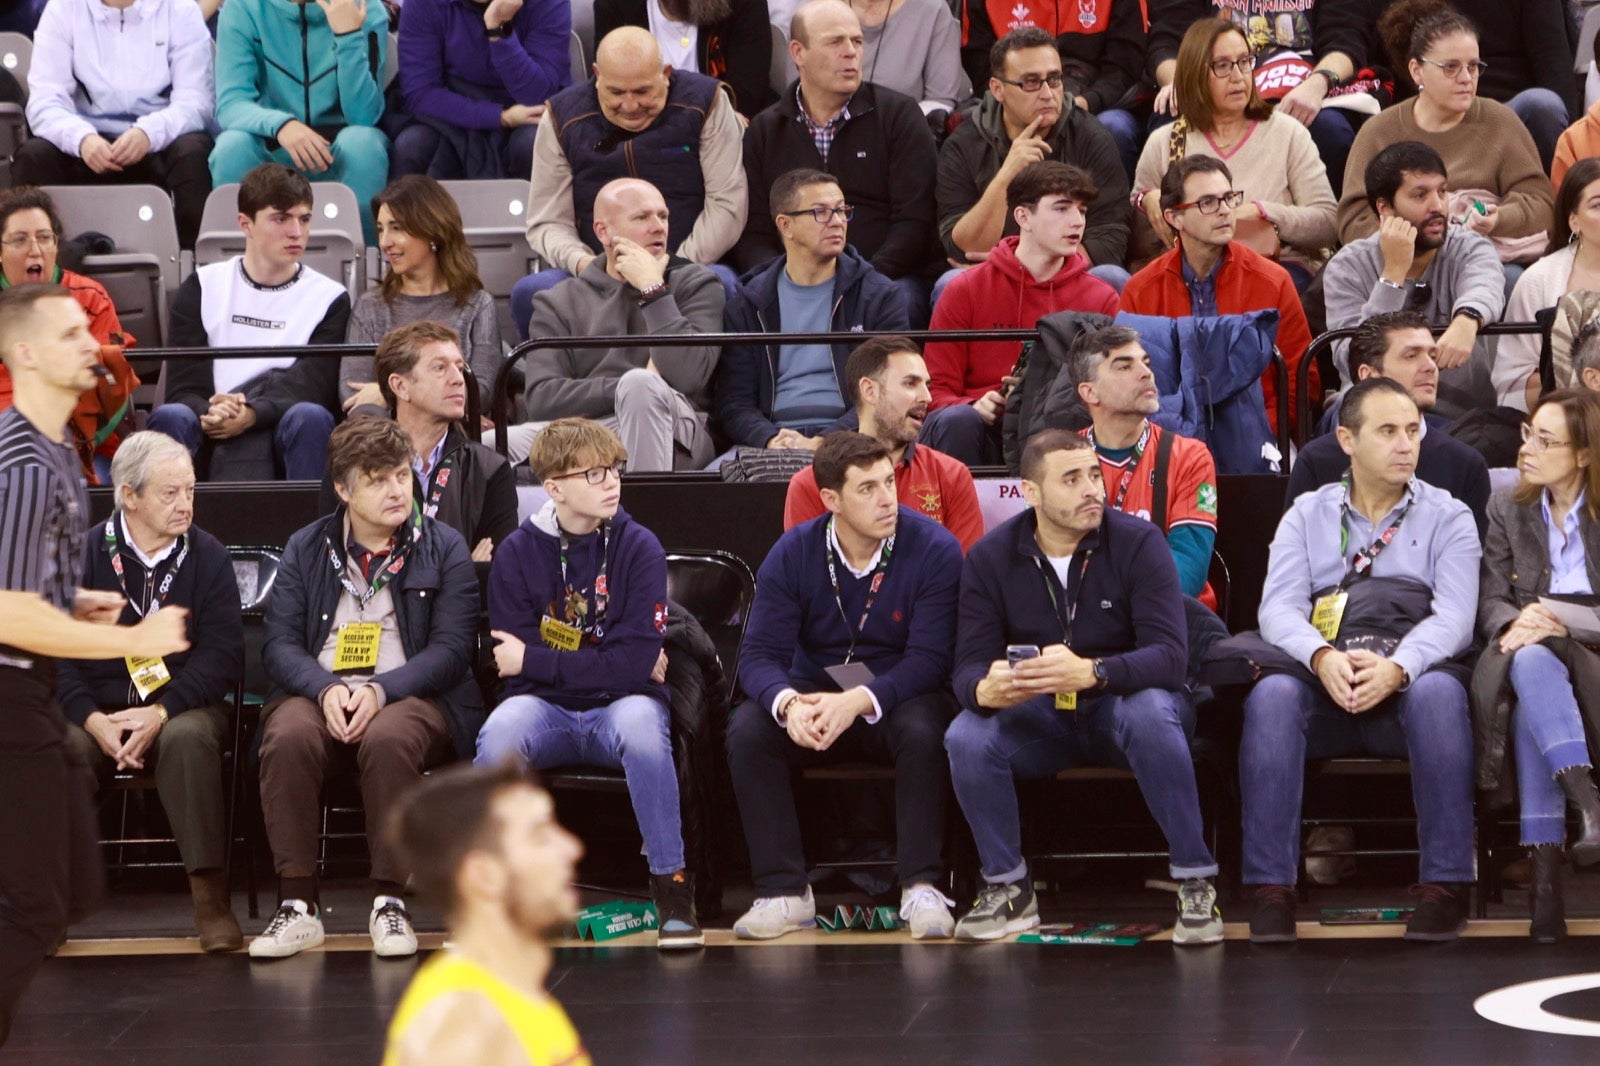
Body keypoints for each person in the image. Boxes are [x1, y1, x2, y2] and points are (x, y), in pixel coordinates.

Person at [0, 284, 190, 1047]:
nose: (92, 341)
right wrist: (132, 642)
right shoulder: (27, 465)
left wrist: (74, 603)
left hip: (28, 690)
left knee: (67, 888)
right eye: (71, 332)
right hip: (10, 692)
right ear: (26, 355)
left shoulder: (54, 451)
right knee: (39, 904)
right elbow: (8, 612)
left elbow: (22, 586)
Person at [943, 430, 1224, 945]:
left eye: (1094, 474)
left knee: (1150, 710)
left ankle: (1194, 879)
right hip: (1043, 716)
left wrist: (1094, 672)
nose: (1091, 488)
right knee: (966, 733)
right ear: (1030, 492)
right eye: (1071, 479)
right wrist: (984, 689)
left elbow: (1171, 656)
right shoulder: (990, 557)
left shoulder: (1140, 543)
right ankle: (1008, 887)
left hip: (1123, 707)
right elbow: (964, 667)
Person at [1242, 377, 1479, 944]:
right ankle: (1271, 887)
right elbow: (1276, 609)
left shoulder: (1450, 516)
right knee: (1271, 695)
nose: (1406, 445)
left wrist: (1399, 667)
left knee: (1442, 694)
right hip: (1325, 681)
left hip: (1407, 683)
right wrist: (1321, 657)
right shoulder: (1306, 513)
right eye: (1388, 431)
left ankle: (1446, 883)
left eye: (1413, 431)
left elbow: (1456, 620)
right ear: (1346, 439)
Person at [251, 418, 483, 961]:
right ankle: (299, 905)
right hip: (320, 689)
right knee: (285, 735)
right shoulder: (305, 547)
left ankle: (388, 902)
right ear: (342, 488)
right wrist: (326, 688)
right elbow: (279, 645)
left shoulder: (444, 546)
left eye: (402, 475)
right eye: (377, 480)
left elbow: (451, 652)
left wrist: (380, 691)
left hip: (412, 694)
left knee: (388, 739)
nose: (396, 490)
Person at [475, 418, 704, 951]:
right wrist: (602, 655)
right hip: (540, 707)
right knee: (498, 737)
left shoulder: (639, 546)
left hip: (622, 702)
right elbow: (507, 661)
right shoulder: (515, 553)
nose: (612, 483)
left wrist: (536, 657)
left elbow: (627, 668)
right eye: (595, 473)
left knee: (646, 732)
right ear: (553, 487)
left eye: (615, 470)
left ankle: (671, 886)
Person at [728, 431, 964, 939]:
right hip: (814, 692)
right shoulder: (794, 551)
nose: (886, 499)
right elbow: (758, 656)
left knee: (925, 728)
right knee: (748, 729)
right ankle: (783, 891)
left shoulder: (934, 548)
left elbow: (930, 660)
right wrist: (788, 705)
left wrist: (857, 700)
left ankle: (921, 885)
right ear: (830, 499)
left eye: (888, 483)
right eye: (867, 489)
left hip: (898, 693)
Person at [56, 432, 244, 953]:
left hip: (181, 703)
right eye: (170, 493)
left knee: (187, 740)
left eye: (190, 490)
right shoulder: (82, 555)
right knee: (60, 746)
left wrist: (161, 711)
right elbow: (57, 653)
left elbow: (224, 656)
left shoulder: (207, 556)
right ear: (129, 496)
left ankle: (211, 902)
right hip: (94, 707)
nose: (185, 504)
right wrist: (93, 719)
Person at [513, 26, 748, 337]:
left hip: (685, 264)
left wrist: (669, 267)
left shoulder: (707, 102)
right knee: (532, 292)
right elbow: (548, 221)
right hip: (595, 273)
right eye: (616, 92)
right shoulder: (560, 116)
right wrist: (587, 266)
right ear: (596, 75)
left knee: (724, 286)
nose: (630, 105)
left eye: (642, 92)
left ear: (666, 73)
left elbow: (727, 205)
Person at [1477, 389, 1600, 944]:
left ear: (1584, 454)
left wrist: (1555, 617)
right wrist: (1520, 622)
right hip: (1532, 654)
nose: (1528, 449)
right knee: (1528, 663)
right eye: (1528, 433)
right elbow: (1491, 599)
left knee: (1531, 679)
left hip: (1594, 657)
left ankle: (1546, 886)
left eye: (1546, 441)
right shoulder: (1508, 505)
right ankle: (1589, 807)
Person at [737, 0, 941, 323]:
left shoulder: (899, 116)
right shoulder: (765, 130)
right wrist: (786, 282)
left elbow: (915, 223)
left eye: (857, 41)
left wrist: (862, 282)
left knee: (897, 300)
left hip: (885, 279)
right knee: (744, 297)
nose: (851, 52)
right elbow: (754, 231)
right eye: (835, 42)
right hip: (791, 282)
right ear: (797, 52)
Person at [147, 164, 350, 482]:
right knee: (171, 416)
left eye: (304, 218)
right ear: (246, 224)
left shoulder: (330, 297)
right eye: (281, 218)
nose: (296, 232)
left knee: (310, 416)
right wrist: (216, 412)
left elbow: (312, 387)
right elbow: (182, 387)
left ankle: (312, 531)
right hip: (211, 422)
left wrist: (253, 414)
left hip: (282, 424)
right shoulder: (202, 286)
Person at [381, 763, 591, 1066]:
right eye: (541, 836)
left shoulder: (513, 994)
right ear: (485, 876)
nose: (572, 848)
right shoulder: (463, 1028)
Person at [517, 178, 722, 472]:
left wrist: (653, 290)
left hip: (675, 428)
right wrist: (626, 389)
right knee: (492, 444)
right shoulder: (558, 301)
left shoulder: (696, 283)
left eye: (663, 216)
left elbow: (688, 375)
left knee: (642, 389)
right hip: (587, 431)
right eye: (642, 217)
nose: (658, 227)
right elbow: (542, 399)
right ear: (604, 231)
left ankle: (641, 516)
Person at [923, 160, 1119, 466]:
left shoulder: (1101, 297)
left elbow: (1111, 389)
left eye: (1081, 211)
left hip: (1061, 435)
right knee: (958, 420)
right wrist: (974, 404)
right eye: (1062, 208)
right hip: (983, 429)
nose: (1077, 221)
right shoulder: (965, 290)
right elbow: (935, 389)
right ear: (1023, 216)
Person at [1340, 0, 1554, 264]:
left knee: (1505, 279)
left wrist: (1498, 218)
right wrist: (1416, 244)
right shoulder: (1378, 132)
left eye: (1473, 66)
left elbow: (1541, 203)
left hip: (1484, 260)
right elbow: (1353, 218)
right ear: (1416, 71)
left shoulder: (1500, 122)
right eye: (1450, 67)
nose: (1466, 77)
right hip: (1400, 262)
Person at [1133, 17, 1338, 290]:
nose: (1238, 76)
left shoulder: (1288, 132)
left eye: (1244, 62)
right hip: (1193, 275)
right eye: (1222, 66)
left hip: (1276, 267)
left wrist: (1263, 213)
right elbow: (1136, 244)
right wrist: (1147, 201)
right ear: (1194, 72)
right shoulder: (1165, 141)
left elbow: (1327, 224)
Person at [1122, 155, 1315, 439]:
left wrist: (1263, 433)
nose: (1225, 211)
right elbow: (1128, 381)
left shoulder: (1273, 281)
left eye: (1229, 198)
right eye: (1208, 203)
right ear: (1174, 217)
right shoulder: (1140, 290)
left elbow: (1301, 381)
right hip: (1168, 445)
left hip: (1260, 440)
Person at [717, 168, 910, 452]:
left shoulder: (880, 296)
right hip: (769, 442)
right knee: (714, 485)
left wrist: (824, 441)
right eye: (821, 212)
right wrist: (769, 439)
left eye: (842, 211)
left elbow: (885, 391)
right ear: (785, 225)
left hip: (855, 439)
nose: (838, 222)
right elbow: (734, 401)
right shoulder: (749, 303)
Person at [1321, 141, 1505, 421]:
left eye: (1442, 192)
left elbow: (1486, 282)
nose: (1438, 206)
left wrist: (1468, 319)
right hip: (1373, 411)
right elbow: (1352, 358)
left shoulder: (1469, 247)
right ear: (1384, 207)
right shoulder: (1347, 267)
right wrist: (1393, 274)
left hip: (1459, 416)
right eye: (1420, 195)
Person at [938, 26, 1130, 291]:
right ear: (997, 89)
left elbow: (1111, 237)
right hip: (995, 280)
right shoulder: (963, 144)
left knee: (1113, 277)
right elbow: (961, 249)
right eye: (1030, 82)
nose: (1047, 94)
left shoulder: (1091, 137)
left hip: (1068, 278)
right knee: (950, 283)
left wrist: (1031, 267)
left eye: (1054, 79)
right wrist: (1008, 173)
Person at [16, 0, 215, 248]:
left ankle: (192, 264)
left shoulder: (181, 10)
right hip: (87, 140)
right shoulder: (62, 8)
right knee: (34, 156)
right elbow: (44, 101)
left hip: (159, 140)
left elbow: (197, 101)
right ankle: (38, 266)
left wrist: (148, 133)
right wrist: (81, 139)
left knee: (194, 152)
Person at [1288, 310, 1491, 536]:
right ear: (1369, 375)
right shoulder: (1317, 460)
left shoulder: (1464, 464)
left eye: (1432, 356)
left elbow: (1475, 564)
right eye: (1411, 356)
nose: (1430, 367)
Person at [1146, 1, 1373, 201]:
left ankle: (1327, 243)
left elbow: (1347, 42)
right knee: (1169, 112)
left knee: (1331, 129)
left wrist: (1318, 83)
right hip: (1215, 78)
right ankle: (1177, 231)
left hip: (1305, 84)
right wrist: (1180, 83)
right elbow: (1166, 43)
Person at [210, 0, 391, 243]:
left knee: (364, 144)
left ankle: (364, 266)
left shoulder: (365, 8)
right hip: (270, 145)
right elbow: (232, 103)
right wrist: (282, 125)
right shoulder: (242, 8)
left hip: (338, 150)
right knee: (231, 147)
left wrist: (347, 35)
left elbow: (364, 115)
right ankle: (232, 265)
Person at [1060, 325, 1219, 599]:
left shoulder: (1190, 456)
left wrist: (1112, 603)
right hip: (1085, 623)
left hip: (1168, 621)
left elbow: (1187, 572)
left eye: (1145, 363)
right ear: (1089, 393)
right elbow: (1050, 560)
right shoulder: (1059, 461)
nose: (1146, 373)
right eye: (1124, 367)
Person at [784, 336, 984, 551]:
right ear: (870, 391)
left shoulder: (952, 476)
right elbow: (808, 577)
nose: (927, 397)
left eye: (927, 385)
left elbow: (963, 575)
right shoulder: (810, 485)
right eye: (910, 383)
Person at [0, 187, 140, 484]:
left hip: (83, 450)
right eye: (20, 240)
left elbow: (108, 383)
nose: (35, 250)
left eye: (44, 237)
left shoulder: (91, 297)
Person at [340, 176, 504, 418]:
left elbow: (481, 393)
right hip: (384, 440)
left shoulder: (478, 304)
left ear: (431, 231)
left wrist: (387, 395)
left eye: (396, 228)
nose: (384, 243)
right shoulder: (370, 306)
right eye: (380, 229)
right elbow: (352, 393)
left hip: (453, 441)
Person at [366, 321, 518, 560]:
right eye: (440, 368)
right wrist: (462, 566)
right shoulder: (357, 465)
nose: (458, 379)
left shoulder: (490, 470)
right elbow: (352, 567)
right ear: (400, 386)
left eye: (459, 367)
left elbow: (496, 574)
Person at [1382, 0, 1577, 177]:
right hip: (1433, 110)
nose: (1466, 76)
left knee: (1543, 105)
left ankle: (1561, 203)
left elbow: (1555, 66)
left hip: (1512, 111)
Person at [957, 1, 1148, 179]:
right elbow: (982, 70)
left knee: (1114, 127)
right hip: (1017, 97)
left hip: (1099, 100)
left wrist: (1086, 102)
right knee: (967, 130)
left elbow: (1124, 65)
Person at [391, 0, 571, 180]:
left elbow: (537, 95)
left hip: (525, 111)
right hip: (454, 110)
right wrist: (500, 117)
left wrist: (499, 30)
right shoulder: (424, 4)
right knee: (412, 146)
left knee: (535, 144)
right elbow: (421, 94)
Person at [1496, 160, 1600, 413]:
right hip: (1567, 419)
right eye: (1598, 205)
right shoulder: (1538, 280)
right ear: (1574, 221)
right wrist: (1570, 376)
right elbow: (1512, 386)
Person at [594, 0, 775, 119]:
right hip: (641, 129)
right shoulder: (615, 5)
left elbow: (747, 93)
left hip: (721, 129)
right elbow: (609, 87)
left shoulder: (742, 4)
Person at [843, 0, 963, 117]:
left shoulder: (933, 9)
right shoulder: (825, 8)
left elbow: (940, 101)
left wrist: (898, 127)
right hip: (829, 129)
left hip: (902, 132)